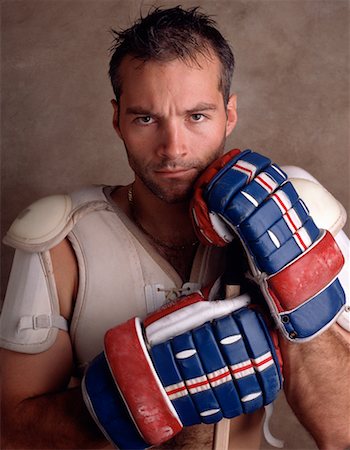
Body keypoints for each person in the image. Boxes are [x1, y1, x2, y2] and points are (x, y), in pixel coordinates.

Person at [1, 6, 349, 450]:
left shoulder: (293, 212)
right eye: (146, 118)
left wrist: (294, 288)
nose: (173, 148)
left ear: (230, 113)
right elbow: (11, 430)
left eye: (197, 116)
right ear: (117, 119)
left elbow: (343, 431)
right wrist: (134, 399)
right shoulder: (62, 242)